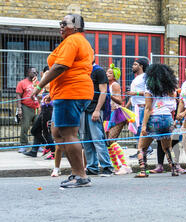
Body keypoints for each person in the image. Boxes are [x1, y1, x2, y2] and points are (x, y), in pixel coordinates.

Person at [31, 13, 94, 188]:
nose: (60, 26)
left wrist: (39, 87)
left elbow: (60, 66)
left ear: (76, 27)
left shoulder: (73, 40)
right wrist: (52, 92)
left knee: (68, 133)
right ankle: (77, 172)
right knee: (58, 132)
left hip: (72, 92)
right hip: (67, 92)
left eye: (64, 23)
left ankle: (80, 175)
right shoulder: (76, 41)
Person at [134, 63, 179, 178]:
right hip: (167, 118)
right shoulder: (169, 89)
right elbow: (173, 106)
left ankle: (143, 171)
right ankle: (174, 169)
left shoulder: (149, 88)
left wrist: (143, 126)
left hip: (154, 118)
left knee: (141, 147)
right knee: (167, 147)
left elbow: (148, 109)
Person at [79, 60, 114, 177]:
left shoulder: (98, 71)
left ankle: (107, 167)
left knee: (97, 139)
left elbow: (104, 92)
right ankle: (92, 167)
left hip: (94, 109)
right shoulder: (83, 71)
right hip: (83, 109)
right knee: (86, 140)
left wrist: (97, 110)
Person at [105, 64, 134, 175]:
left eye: (110, 73)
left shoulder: (115, 85)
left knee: (111, 140)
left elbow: (119, 101)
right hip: (108, 114)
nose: (107, 74)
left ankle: (125, 166)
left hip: (116, 114)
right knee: (108, 142)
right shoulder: (107, 85)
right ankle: (116, 167)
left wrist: (109, 95)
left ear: (115, 75)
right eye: (107, 72)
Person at [125, 58, 149, 158]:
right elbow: (132, 95)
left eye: (135, 64)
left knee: (140, 130)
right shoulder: (136, 78)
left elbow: (148, 92)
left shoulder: (145, 77)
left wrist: (135, 93)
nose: (133, 66)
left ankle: (144, 150)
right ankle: (141, 150)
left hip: (142, 107)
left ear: (141, 66)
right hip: (135, 107)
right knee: (135, 130)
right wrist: (126, 107)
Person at [16, 67, 40, 154]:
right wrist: (19, 109)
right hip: (26, 107)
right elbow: (18, 96)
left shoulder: (38, 83)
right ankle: (23, 145)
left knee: (38, 127)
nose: (35, 74)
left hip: (37, 107)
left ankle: (37, 145)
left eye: (36, 72)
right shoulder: (22, 83)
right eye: (33, 72)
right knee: (25, 127)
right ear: (28, 72)